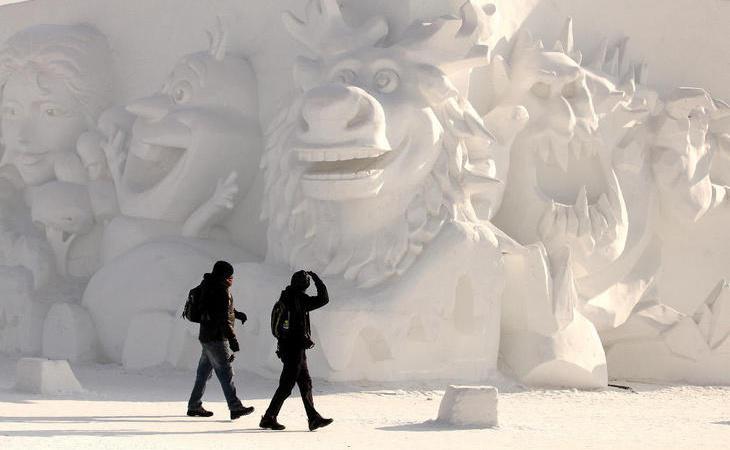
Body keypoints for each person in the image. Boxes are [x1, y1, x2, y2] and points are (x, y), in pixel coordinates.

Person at [260, 270, 333, 431]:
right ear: (305, 285)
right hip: (294, 350)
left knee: (305, 383)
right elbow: (324, 299)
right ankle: (268, 417)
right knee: (286, 385)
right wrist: (317, 279)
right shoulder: (299, 299)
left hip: (289, 348)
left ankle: (313, 418)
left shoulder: (285, 296)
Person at [187, 260, 254, 420]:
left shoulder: (207, 284)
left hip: (206, 336)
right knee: (226, 372)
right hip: (217, 338)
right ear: (224, 276)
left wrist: (236, 314)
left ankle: (194, 405)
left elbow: (216, 309)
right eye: (230, 276)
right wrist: (233, 340)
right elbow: (222, 318)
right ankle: (235, 407)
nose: (232, 279)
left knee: (203, 373)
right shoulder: (221, 291)